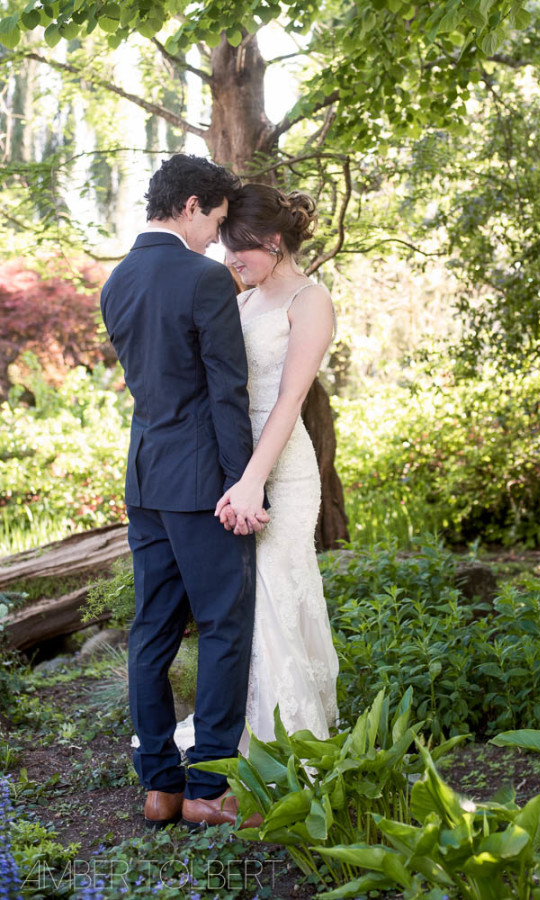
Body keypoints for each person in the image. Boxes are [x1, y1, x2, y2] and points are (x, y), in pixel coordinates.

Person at [101, 154, 268, 831]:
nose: (216, 240)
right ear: (193, 205)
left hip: (145, 477)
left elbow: (151, 387)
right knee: (225, 626)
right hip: (203, 481)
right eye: (216, 222)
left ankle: (159, 790)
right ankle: (207, 789)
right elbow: (226, 391)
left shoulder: (118, 281)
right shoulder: (203, 280)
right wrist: (241, 484)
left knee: (152, 630)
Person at [217, 183, 339, 750]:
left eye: (237, 248)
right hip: (239, 467)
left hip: (283, 471)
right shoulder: (241, 301)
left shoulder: (310, 299)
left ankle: (287, 749)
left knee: (275, 593)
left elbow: (290, 399)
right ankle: (242, 739)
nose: (229, 259)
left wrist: (252, 480)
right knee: (245, 602)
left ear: (271, 239)